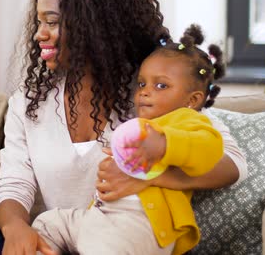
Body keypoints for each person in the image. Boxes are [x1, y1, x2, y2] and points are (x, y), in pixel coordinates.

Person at [0, 0, 247, 255]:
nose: (40, 34)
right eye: (39, 22)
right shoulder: (29, 101)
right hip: (54, 236)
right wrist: (16, 229)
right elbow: (14, 183)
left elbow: (231, 164)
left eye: (52, 22)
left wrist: (146, 176)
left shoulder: (151, 93)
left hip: (118, 241)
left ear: (96, 26)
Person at [31, 24, 226, 254]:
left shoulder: (186, 121)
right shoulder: (138, 124)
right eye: (142, 83)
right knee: (47, 224)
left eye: (161, 85)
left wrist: (164, 144)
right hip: (100, 217)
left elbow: (209, 149)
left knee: (103, 248)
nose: (144, 91)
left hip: (140, 224)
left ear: (192, 100)